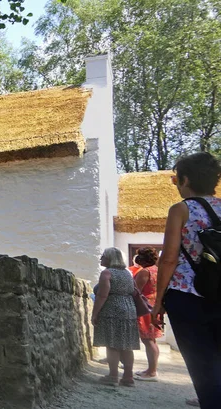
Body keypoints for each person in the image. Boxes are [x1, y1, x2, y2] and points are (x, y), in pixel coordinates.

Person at [153, 152, 221, 409]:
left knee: (204, 370)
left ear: (186, 179)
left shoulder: (181, 210)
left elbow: (169, 260)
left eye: (176, 180)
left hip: (187, 296)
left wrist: (158, 301)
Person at [92, 247, 140, 387]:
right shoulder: (127, 273)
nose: (101, 258)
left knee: (112, 343)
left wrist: (95, 313)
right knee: (126, 344)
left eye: (103, 256)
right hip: (129, 309)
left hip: (112, 309)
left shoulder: (107, 273)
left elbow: (102, 295)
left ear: (110, 258)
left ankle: (113, 376)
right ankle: (128, 377)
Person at [132, 247, 163, 382]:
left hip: (144, 308)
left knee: (148, 340)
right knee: (152, 340)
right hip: (154, 307)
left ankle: (152, 372)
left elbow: (135, 291)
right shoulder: (157, 271)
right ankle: (151, 369)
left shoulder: (145, 272)